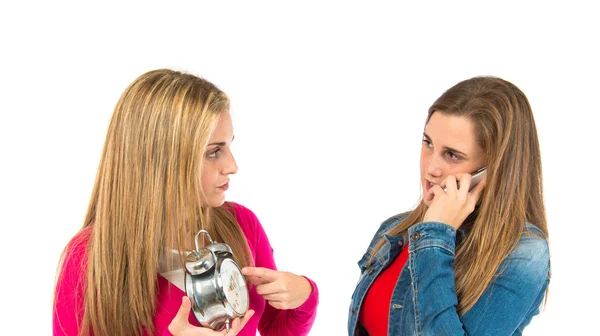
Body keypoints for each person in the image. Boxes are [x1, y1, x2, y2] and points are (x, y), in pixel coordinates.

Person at [53, 69, 318, 336]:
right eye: (214, 152)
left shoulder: (242, 224)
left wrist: (304, 295)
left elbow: (278, 329)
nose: (232, 166)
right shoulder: (88, 258)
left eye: (228, 146)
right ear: (160, 162)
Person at [348, 76, 550, 335]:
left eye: (452, 155)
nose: (431, 168)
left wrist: (434, 237)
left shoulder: (523, 254)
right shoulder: (395, 229)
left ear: (494, 170)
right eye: (428, 143)